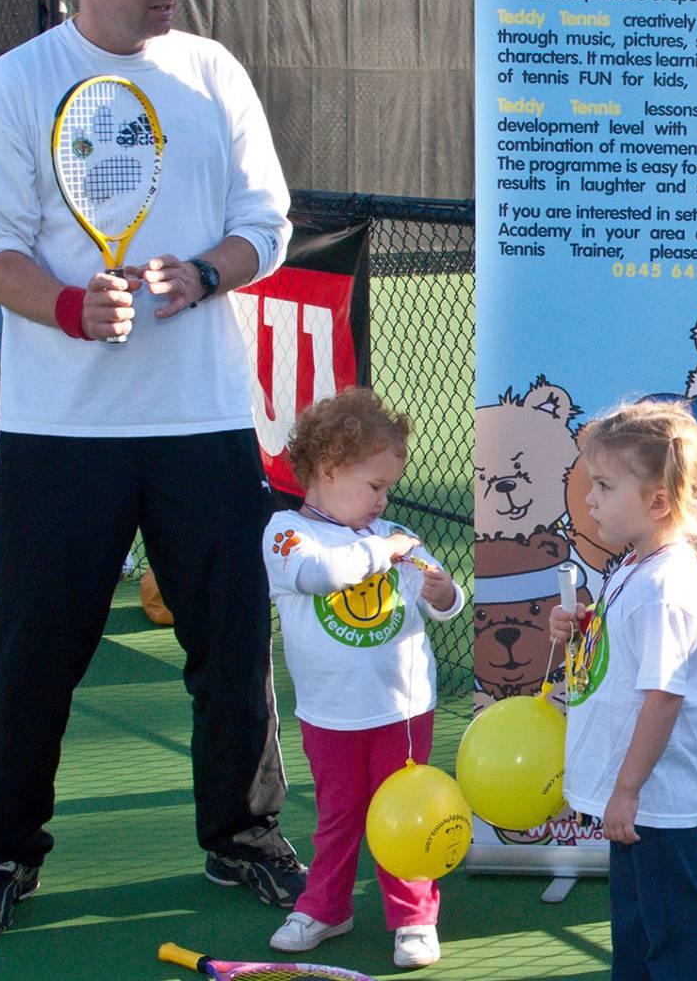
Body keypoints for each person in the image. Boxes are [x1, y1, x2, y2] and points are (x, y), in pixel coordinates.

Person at [0, 0, 299, 936]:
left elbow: (267, 224)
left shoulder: (216, 74)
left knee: (230, 642)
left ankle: (244, 837)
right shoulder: (15, 84)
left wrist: (208, 273)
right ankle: (1, 848)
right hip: (57, 432)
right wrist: (70, 306)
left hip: (203, 421)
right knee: (29, 655)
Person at [263, 389, 462, 969]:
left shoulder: (395, 535)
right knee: (339, 814)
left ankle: (414, 917)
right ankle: (326, 907)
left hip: (402, 710)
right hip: (330, 713)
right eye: (374, 486)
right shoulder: (286, 535)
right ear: (328, 470)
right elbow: (322, 575)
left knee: (406, 813)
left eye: (387, 489)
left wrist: (444, 593)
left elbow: (446, 597)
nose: (383, 500)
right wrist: (387, 550)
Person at [549, 400, 697, 981]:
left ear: (657, 502)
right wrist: (582, 628)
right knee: (635, 922)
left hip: (652, 798)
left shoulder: (664, 587)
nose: (591, 498)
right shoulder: (635, 566)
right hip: (635, 797)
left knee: (674, 929)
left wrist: (626, 790)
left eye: (603, 485)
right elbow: (625, 661)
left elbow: (663, 698)